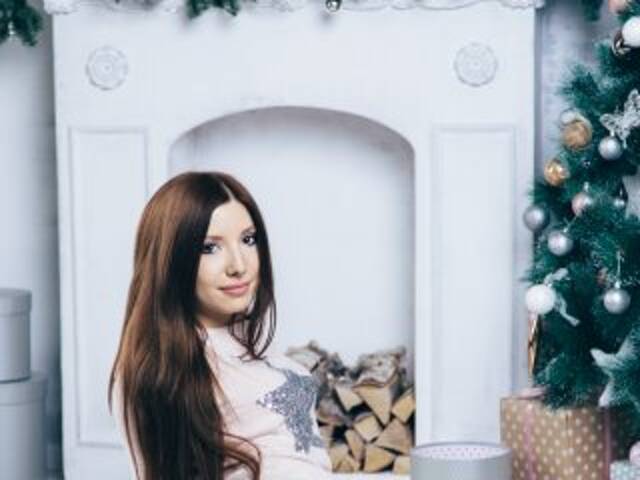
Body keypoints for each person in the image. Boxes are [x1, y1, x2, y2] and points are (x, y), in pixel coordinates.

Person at [108, 171, 332, 479]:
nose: (239, 265)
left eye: (248, 239)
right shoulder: (163, 369)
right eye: (210, 248)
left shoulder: (241, 341)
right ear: (171, 259)